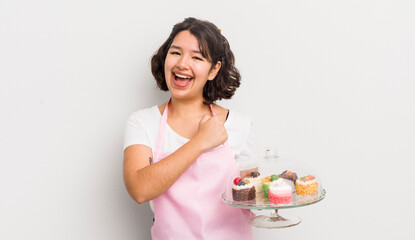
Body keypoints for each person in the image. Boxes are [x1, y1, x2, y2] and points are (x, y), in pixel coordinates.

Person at [123, 17, 258, 239]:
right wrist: (201, 142)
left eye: (196, 57)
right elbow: (139, 190)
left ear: (214, 70)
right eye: (175, 52)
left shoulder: (239, 126)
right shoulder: (143, 122)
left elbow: (249, 195)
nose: (182, 64)